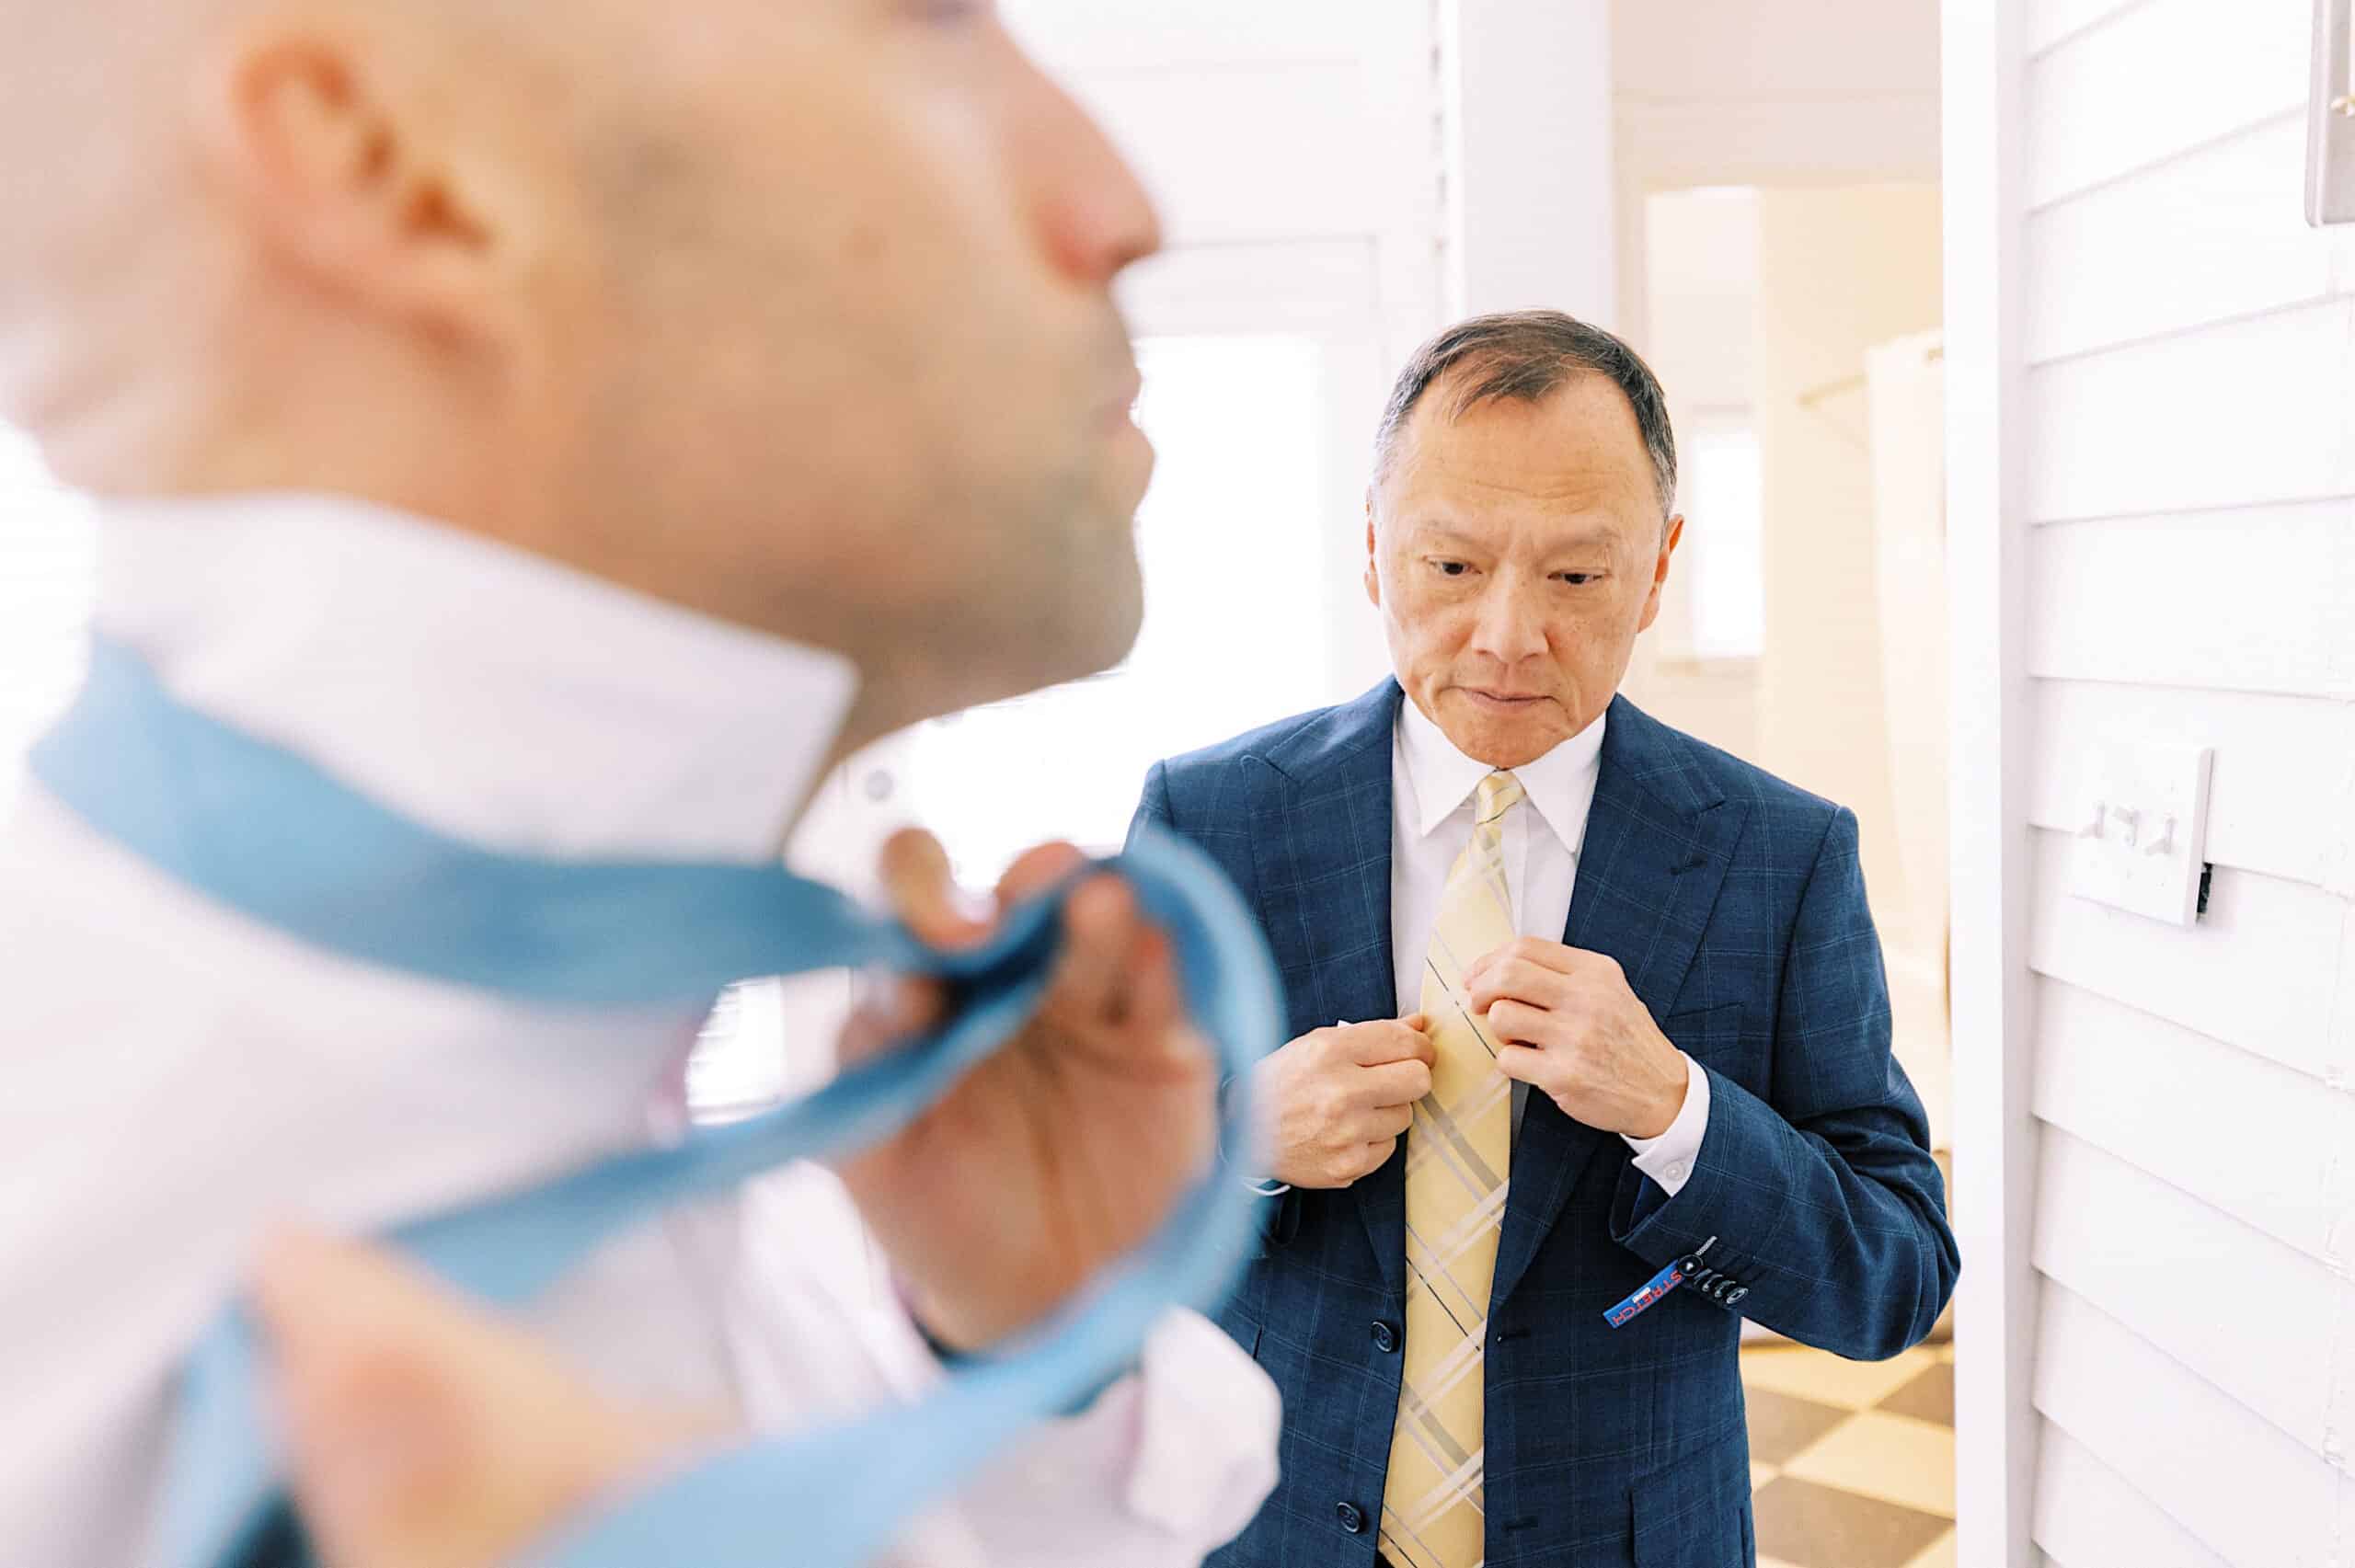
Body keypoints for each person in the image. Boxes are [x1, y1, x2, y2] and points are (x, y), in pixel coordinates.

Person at [0, 0, 1279, 1562]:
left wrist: (1019, 1358)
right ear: (403, 174)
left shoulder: (761, 1169)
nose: (1119, 204)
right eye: (932, 24)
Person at [1131, 312, 1959, 1568]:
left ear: (1661, 564)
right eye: (1451, 567)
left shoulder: (1779, 858)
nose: (1509, 635)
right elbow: (1069, 1216)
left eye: (1575, 576)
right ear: (1371, 552)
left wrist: (1679, 1109)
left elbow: (1892, 1277)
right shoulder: (1212, 823)